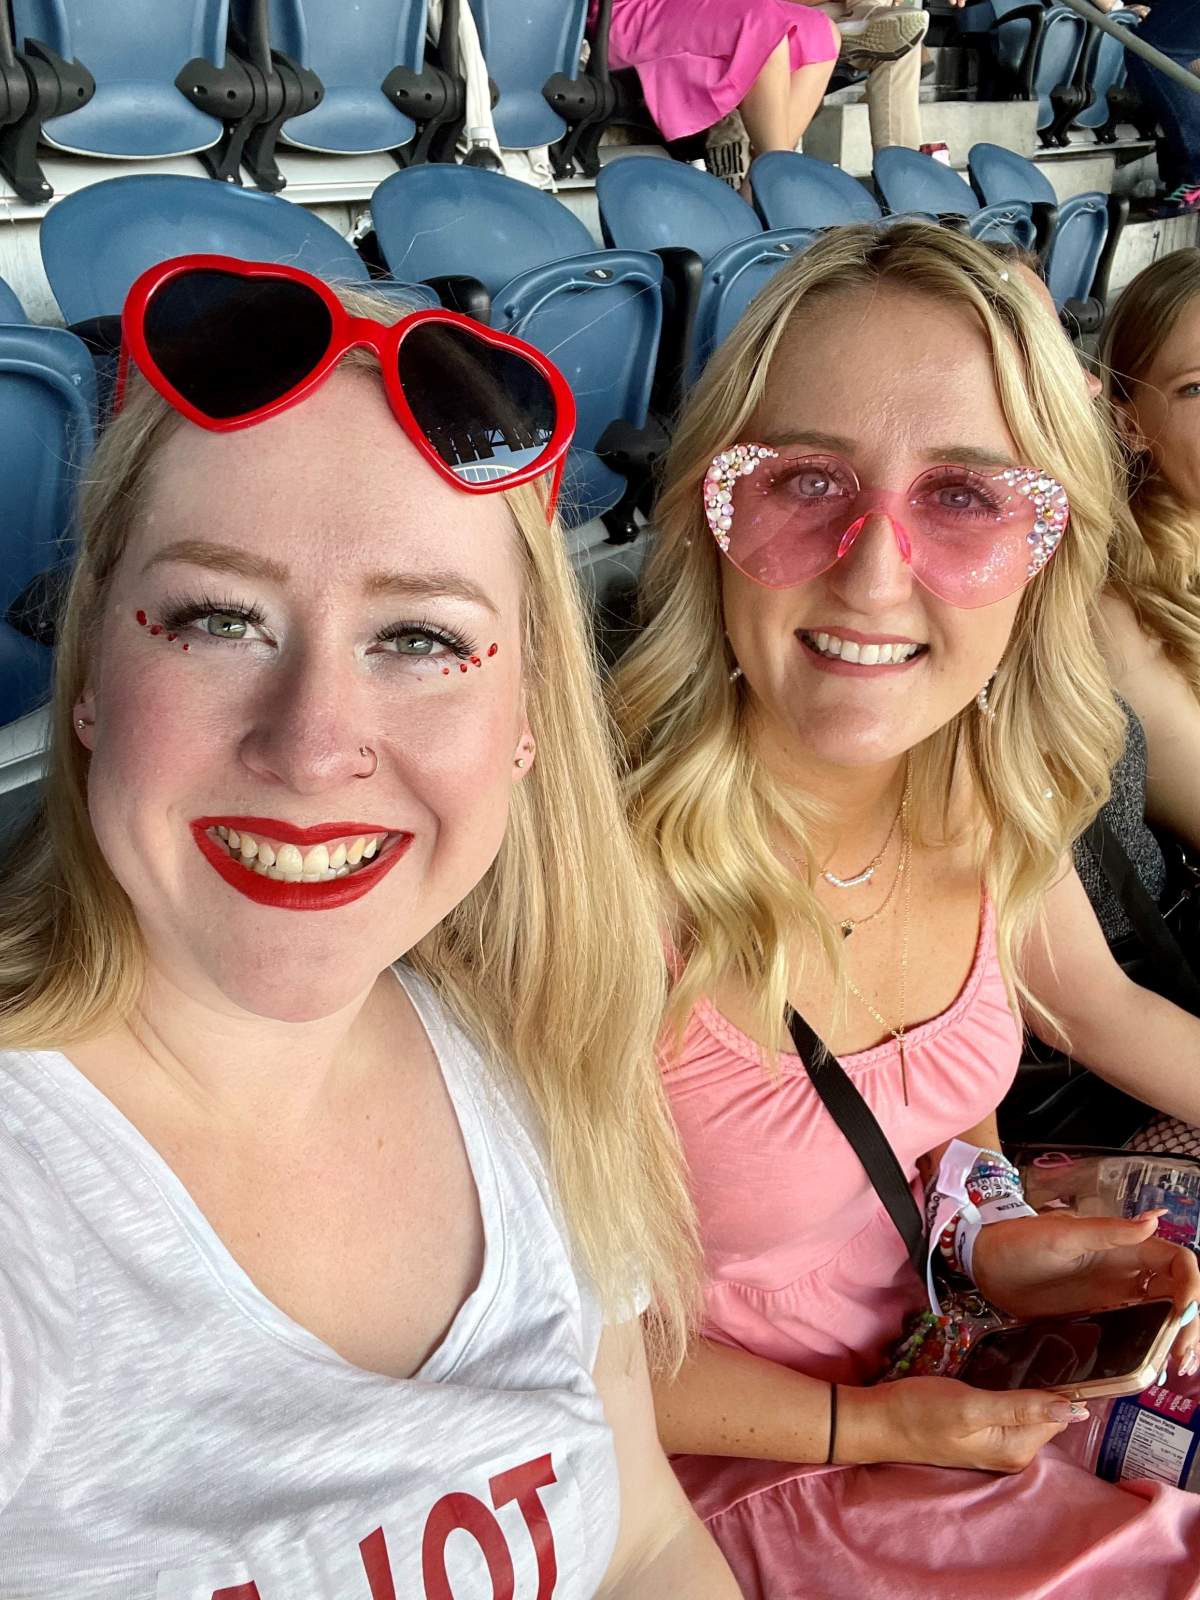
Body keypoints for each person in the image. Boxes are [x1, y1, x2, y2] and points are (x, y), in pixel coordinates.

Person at [0, 260, 740, 1597]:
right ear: (94, 675)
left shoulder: (538, 1057)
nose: (313, 742)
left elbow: (640, 1541)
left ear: (526, 721)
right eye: (220, 620)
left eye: (417, 638)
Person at [611, 220, 1200, 1598]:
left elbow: (1092, 1020)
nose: (875, 569)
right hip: (729, 1472)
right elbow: (539, 1348)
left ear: (1045, 543)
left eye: (964, 498)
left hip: (943, 1385)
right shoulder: (601, 892)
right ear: (715, 510)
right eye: (804, 479)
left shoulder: (982, 801)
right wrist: (865, 1424)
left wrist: (988, 1233)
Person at [600, 0, 842, 160]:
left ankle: (758, 180)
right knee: (765, 25)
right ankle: (776, 181)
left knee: (820, 31)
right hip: (630, 15)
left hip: (698, 10)